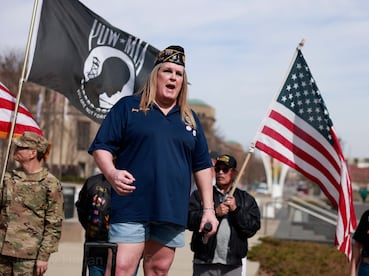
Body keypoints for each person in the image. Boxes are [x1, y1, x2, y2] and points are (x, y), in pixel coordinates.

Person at [88, 45, 218, 275]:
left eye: (179, 74)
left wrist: (209, 210)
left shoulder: (190, 118)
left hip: (171, 209)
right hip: (131, 206)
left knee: (158, 269)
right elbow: (101, 147)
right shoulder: (128, 107)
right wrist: (112, 173)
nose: (173, 78)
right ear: (155, 75)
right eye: (168, 71)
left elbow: (203, 166)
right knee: (121, 268)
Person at [0, 131, 64, 275]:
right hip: (2, 252)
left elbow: (54, 224)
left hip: (28, 256)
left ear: (33, 153)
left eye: (21, 147)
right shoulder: (8, 178)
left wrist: (44, 256)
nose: (15, 150)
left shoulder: (50, 183)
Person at [188, 154, 261, 275]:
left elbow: (252, 228)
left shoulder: (246, 199)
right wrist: (214, 212)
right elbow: (188, 220)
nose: (220, 172)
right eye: (217, 169)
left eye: (225, 169)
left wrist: (236, 210)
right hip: (204, 261)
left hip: (232, 265)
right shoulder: (201, 194)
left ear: (234, 173)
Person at [76, 173, 112, 276]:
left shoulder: (134, 182)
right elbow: (82, 210)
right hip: (96, 250)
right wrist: (93, 231)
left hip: (124, 252)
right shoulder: (92, 182)